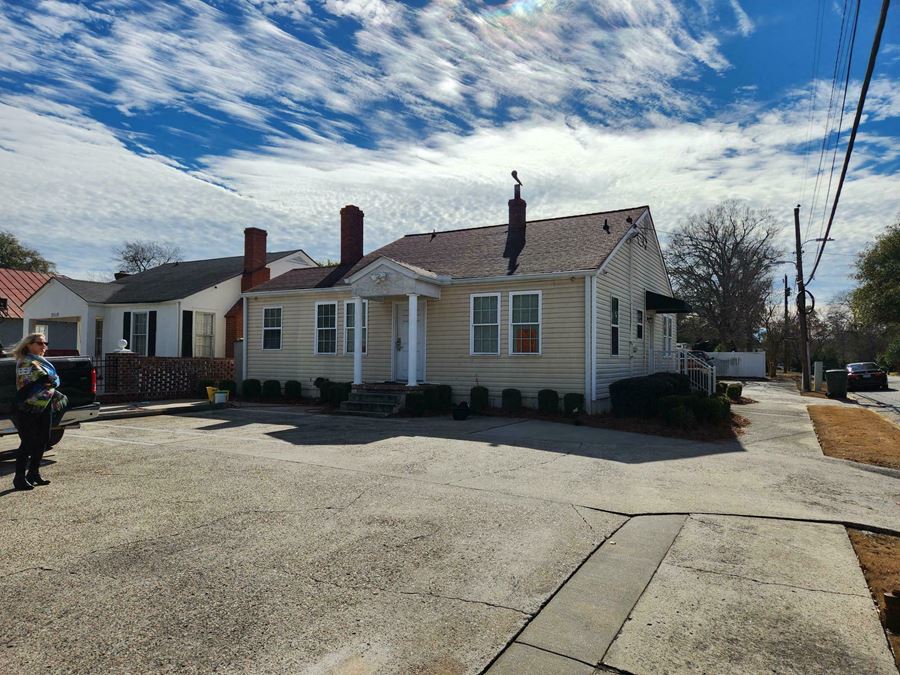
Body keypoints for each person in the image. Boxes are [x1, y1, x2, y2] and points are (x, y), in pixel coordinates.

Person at [11, 333, 67, 491]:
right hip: (27, 405)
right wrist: (52, 379)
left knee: (43, 438)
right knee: (28, 441)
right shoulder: (26, 362)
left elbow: (52, 380)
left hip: (44, 404)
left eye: (45, 343)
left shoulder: (41, 362)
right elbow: (47, 380)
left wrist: (52, 379)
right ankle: (19, 478)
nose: (44, 346)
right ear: (29, 345)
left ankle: (33, 473)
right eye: (40, 343)